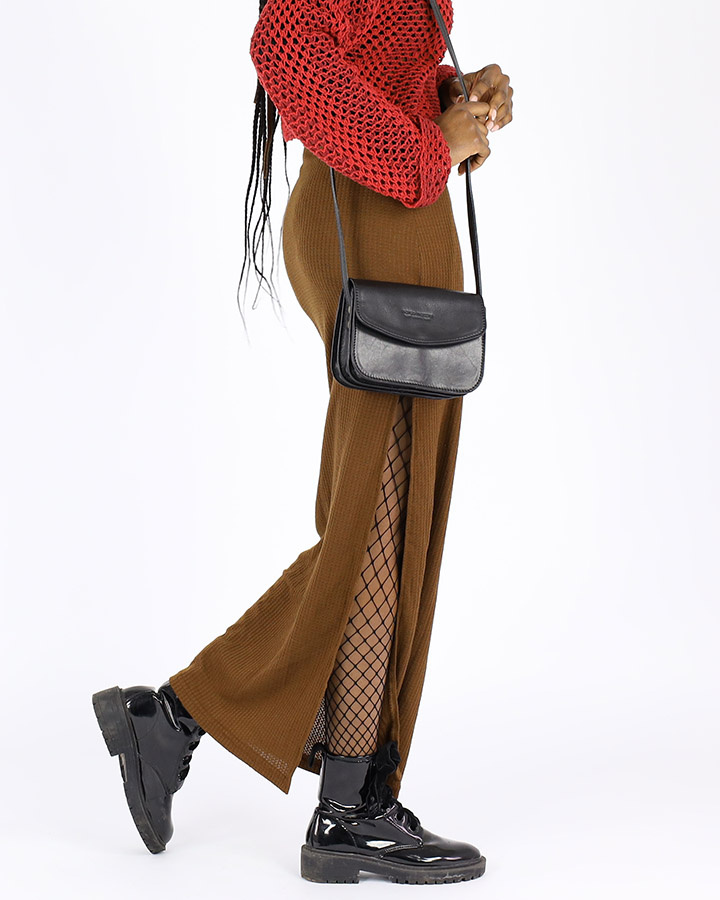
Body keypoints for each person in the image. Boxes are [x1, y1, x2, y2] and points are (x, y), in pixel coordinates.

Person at [92, 0, 513, 885]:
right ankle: (342, 805)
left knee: (391, 522)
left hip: (403, 215)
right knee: (375, 520)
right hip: (369, 211)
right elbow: (284, 44)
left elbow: (372, 63)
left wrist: (454, 96)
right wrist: (427, 149)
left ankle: (193, 732)